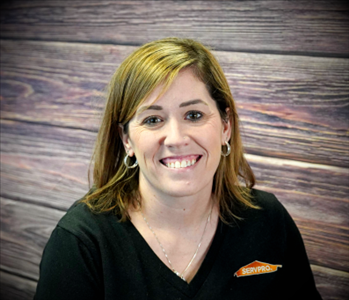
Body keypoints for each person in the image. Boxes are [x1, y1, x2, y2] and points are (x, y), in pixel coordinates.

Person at [34, 37, 322, 300]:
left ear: (225, 126)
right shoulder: (82, 241)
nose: (176, 139)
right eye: (152, 120)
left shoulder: (268, 220)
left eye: (193, 115)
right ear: (127, 140)